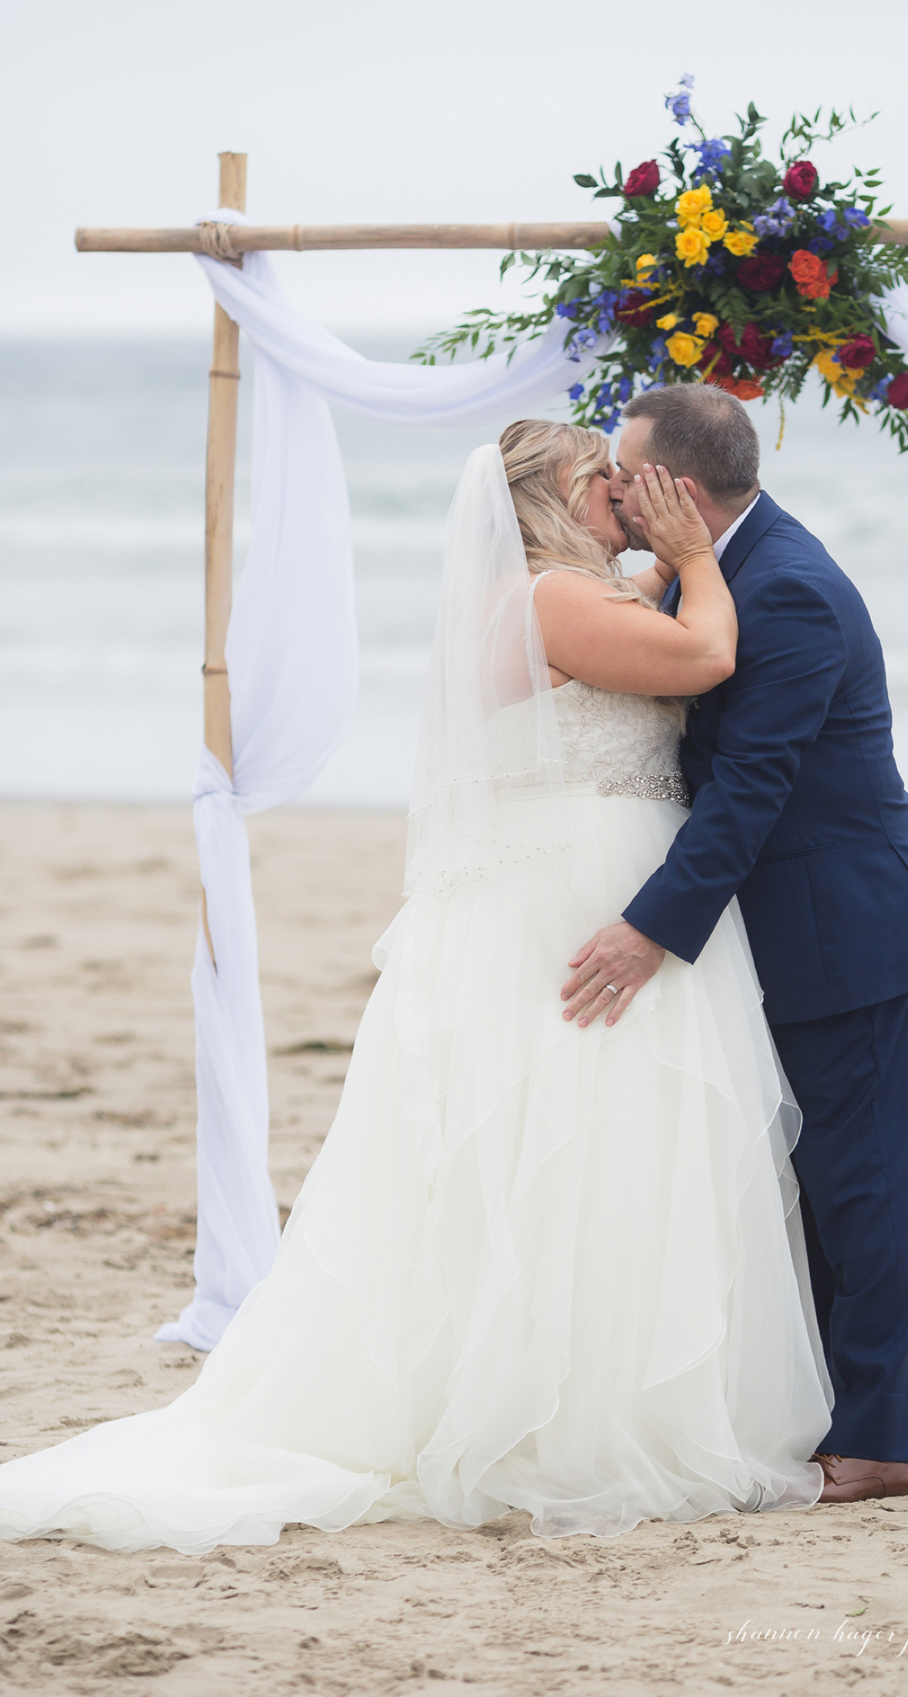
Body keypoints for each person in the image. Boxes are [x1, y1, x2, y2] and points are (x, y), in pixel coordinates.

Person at [0, 419, 833, 1554]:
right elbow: (703, 660)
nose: (626, 498)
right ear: (540, 501)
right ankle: (541, 1414)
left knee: (616, 1149)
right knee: (568, 1141)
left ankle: (606, 1384)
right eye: (603, 481)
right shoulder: (549, 601)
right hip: (577, 895)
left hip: (584, 876)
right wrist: (694, 560)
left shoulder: (578, 588)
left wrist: (671, 557)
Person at [559, 385, 908, 1504]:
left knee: (866, 1182)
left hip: (851, 924)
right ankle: (835, 1410)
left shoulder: (788, 592)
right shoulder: (717, 571)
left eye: (626, 474)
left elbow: (753, 791)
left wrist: (647, 931)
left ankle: (879, 1442)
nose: (616, 493)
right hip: (781, 929)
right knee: (806, 1181)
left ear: (675, 488)